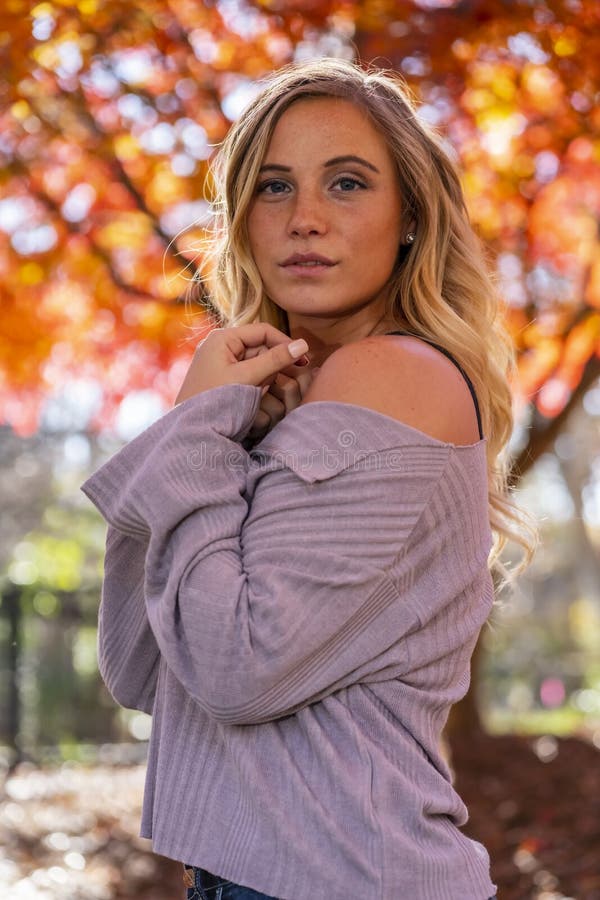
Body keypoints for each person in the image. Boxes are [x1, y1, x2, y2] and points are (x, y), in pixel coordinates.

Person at [82, 58, 537, 900]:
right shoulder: (282, 400)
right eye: (274, 187)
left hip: (339, 877)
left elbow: (236, 670)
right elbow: (142, 666)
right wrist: (213, 429)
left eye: (349, 183)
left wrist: (198, 435)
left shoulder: (392, 372)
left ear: (410, 218)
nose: (306, 220)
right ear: (242, 217)